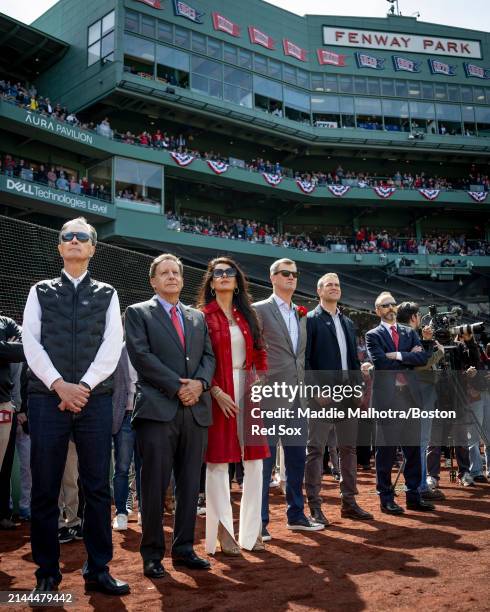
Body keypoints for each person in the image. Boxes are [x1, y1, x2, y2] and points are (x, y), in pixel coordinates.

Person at [22, 217, 127, 594]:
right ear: (59, 247)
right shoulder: (39, 290)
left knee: (97, 487)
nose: (74, 241)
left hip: (94, 399)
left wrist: (81, 386)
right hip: (46, 400)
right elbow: (31, 344)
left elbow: (112, 345)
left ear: (93, 248)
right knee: (45, 489)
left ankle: (98, 569)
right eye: (67, 236)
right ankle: (46, 573)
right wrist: (59, 386)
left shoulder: (109, 293)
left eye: (82, 237)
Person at [125, 253, 215, 579]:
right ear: (153, 280)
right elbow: (141, 356)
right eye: (164, 273)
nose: (172, 277)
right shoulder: (137, 313)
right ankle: (151, 554)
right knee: (153, 485)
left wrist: (201, 383)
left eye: (176, 272)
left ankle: (184, 549)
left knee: (190, 485)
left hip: (195, 411)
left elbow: (208, 356)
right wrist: (179, 387)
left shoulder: (197, 317)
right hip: (157, 410)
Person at [197, 257, 269, 555]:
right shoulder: (201, 316)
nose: (224, 276)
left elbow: (260, 352)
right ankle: (224, 533)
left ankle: (251, 534)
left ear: (237, 281)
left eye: (230, 273)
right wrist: (214, 390)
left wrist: (262, 380)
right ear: (211, 282)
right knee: (218, 464)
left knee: (254, 462)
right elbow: (200, 359)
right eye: (218, 273)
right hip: (218, 394)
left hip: (249, 392)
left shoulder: (248, 315)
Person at [254, 258, 324, 541]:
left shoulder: (301, 313)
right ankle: (259, 522)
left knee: (296, 459)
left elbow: (300, 356)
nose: (291, 278)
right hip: (270, 395)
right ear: (272, 277)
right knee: (265, 462)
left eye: (295, 274)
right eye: (285, 273)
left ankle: (296, 515)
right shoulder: (259, 310)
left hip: (298, 398)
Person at [305, 273, 373, 523]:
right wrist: (314, 391)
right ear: (319, 290)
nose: (334, 288)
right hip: (322, 395)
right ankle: (314, 505)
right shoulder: (310, 320)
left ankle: (349, 502)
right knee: (315, 450)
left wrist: (358, 388)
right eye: (329, 285)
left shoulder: (347, 322)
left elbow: (354, 360)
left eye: (337, 285)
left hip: (347, 394)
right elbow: (306, 360)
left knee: (348, 449)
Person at [365, 292, 435, 515]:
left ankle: (413, 496)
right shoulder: (372, 335)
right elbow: (381, 364)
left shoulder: (408, 332)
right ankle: (386, 499)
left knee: (413, 451)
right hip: (387, 400)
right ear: (377, 310)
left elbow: (422, 359)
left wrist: (395, 355)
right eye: (384, 305)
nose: (390, 308)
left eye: (392, 304)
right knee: (386, 453)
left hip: (410, 398)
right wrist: (407, 357)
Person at [112, 342, 141, 531]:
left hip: (147, 416)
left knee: (144, 468)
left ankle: (144, 512)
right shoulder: (115, 351)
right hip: (123, 417)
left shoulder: (149, 348)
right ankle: (121, 512)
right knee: (122, 468)